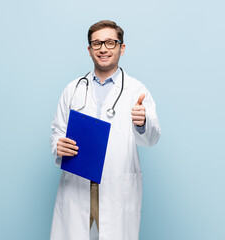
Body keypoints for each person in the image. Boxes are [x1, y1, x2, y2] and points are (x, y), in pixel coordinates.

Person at [50, 20, 161, 240]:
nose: (103, 48)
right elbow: (57, 132)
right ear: (89, 50)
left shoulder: (136, 90)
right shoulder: (73, 89)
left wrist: (142, 123)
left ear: (122, 48)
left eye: (111, 43)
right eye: (97, 43)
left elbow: (152, 138)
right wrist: (58, 145)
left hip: (116, 190)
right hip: (78, 189)